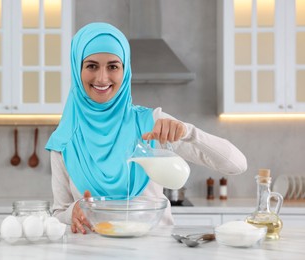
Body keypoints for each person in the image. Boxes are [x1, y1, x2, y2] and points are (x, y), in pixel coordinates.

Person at [45, 22, 247, 234]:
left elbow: (237, 164)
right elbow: (59, 213)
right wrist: (74, 211)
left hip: (154, 252)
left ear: (125, 70)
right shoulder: (64, 140)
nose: (102, 78)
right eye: (92, 66)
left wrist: (187, 132)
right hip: (93, 253)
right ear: (77, 69)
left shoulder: (153, 124)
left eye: (113, 66)